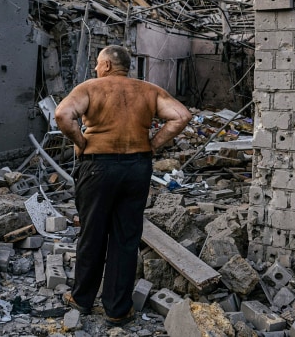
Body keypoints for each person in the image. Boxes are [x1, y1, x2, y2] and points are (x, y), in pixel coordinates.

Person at [54, 44, 192, 327]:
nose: (95, 68)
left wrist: (81, 143)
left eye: (97, 64)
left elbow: (62, 115)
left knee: (92, 232)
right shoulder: (149, 90)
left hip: (98, 168)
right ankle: (118, 309)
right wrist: (152, 144)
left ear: (106, 65)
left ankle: (81, 299)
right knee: (126, 238)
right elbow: (181, 116)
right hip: (136, 168)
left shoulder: (90, 87)